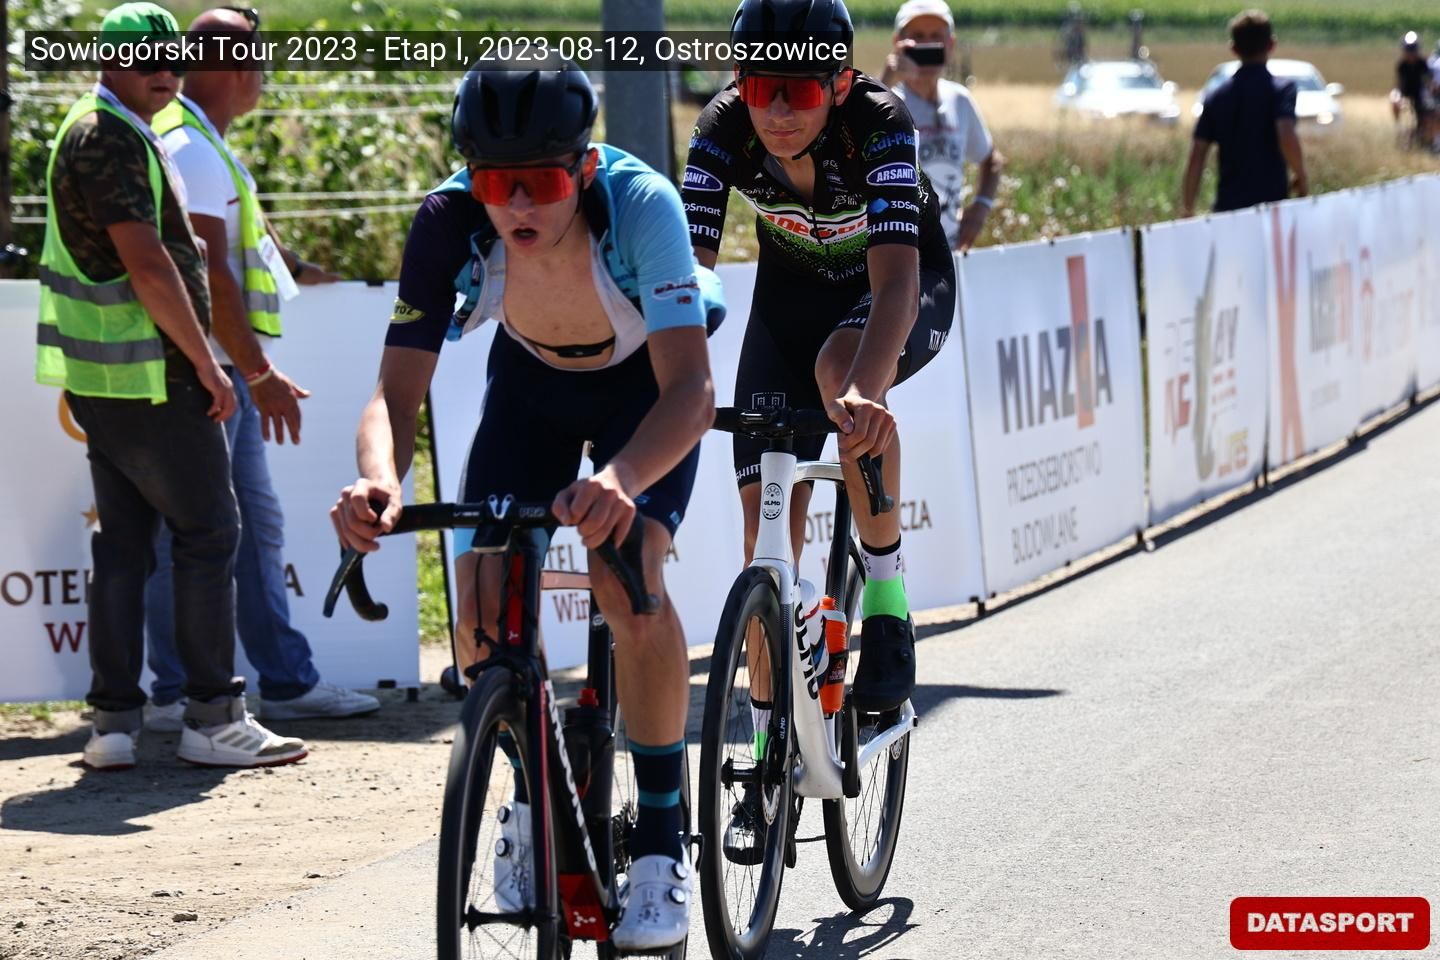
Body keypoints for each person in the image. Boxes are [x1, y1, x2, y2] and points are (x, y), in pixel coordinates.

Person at [329, 61, 721, 950]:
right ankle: (527, 797)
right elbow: (393, 395)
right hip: (532, 384)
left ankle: (660, 842)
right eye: (492, 184)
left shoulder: (642, 206)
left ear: (584, 169)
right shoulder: (447, 220)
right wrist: (377, 480)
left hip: (645, 391)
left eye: (539, 184)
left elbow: (692, 394)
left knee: (629, 579)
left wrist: (621, 481)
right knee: (482, 603)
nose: (514, 207)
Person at [683, 0, 953, 859]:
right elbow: (686, 275)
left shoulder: (880, 123)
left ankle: (888, 598)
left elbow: (899, 284)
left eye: (799, 90)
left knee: (842, 377)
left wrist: (867, 393)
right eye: (759, 86)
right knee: (765, 536)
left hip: (895, 292)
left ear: (839, 83)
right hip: (787, 304)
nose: (777, 109)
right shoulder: (720, 129)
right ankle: (767, 757)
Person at [34, 1, 305, 770]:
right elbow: (150, 265)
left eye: (172, 60)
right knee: (210, 534)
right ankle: (212, 718)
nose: (165, 72)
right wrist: (209, 363)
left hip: (108, 376)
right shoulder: (110, 135)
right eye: (146, 59)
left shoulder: (110, 125)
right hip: (152, 375)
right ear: (110, 60)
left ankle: (114, 727)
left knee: (125, 547)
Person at [140, 6, 379, 730]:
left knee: (243, 525)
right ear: (232, 69)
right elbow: (209, 273)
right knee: (193, 531)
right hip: (209, 373)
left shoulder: (199, 140)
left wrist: (301, 271)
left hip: (218, 371)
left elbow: (244, 239)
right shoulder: (192, 148)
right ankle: (181, 691)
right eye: (257, 61)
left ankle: (278, 680)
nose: (264, 75)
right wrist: (255, 370)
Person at [880, 0, 1003, 251]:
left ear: (950, 44)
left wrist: (980, 207)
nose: (927, 44)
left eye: (936, 37)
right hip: (896, 249)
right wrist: (886, 82)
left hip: (947, 249)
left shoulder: (959, 100)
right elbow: (849, 148)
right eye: (917, 37)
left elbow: (992, 160)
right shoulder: (885, 100)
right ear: (897, 43)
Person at [1181, 9, 1307, 217]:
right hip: (1271, 208)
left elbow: (1197, 155)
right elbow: (1285, 134)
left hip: (1228, 209)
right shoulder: (1281, 90)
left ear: (1233, 49)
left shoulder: (1216, 97)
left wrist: (1188, 208)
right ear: (1272, 45)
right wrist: (1300, 174)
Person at [1392, 32, 1433, 151]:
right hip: (1406, 95)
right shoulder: (1402, 65)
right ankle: (1400, 128)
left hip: (1420, 96)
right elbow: (1400, 84)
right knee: (1395, 103)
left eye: (1412, 50)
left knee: (1423, 118)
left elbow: (1428, 82)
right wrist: (1400, 98)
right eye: (1408, 50)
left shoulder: (1422, 64)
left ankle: (1421, 139)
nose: (1410, 53)